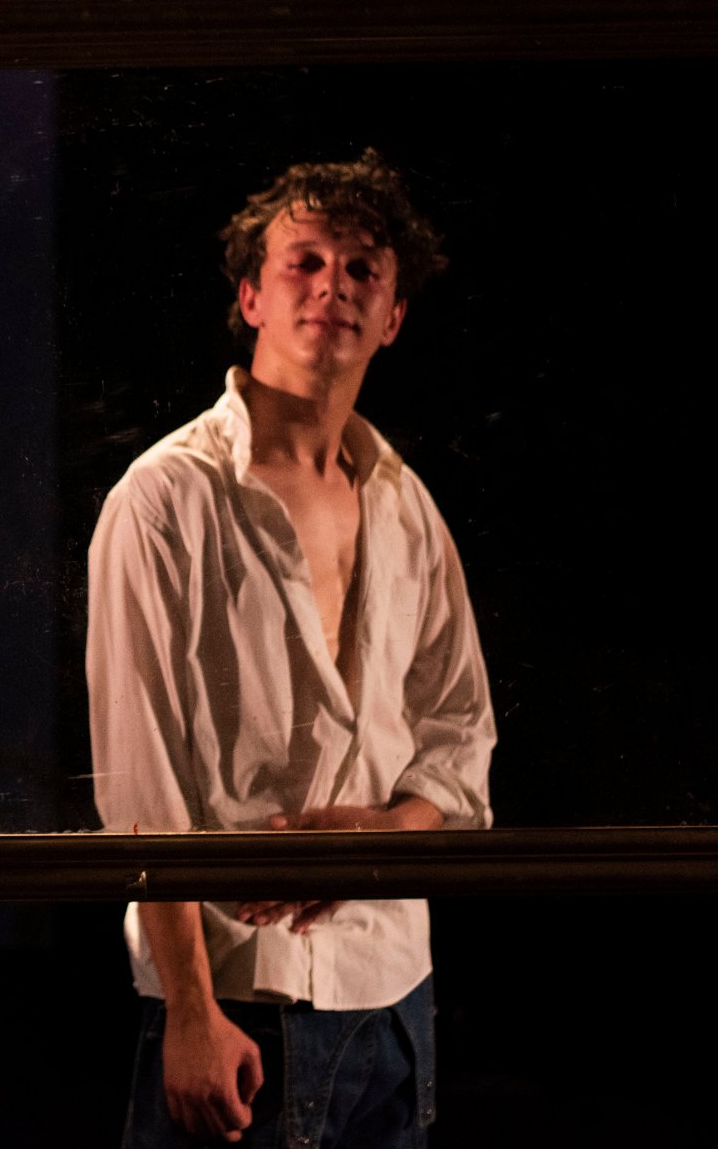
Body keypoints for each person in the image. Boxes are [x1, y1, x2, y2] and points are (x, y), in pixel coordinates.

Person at [86, 151, 494, 1144]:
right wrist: (190, 1010)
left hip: (391, 991)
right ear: (251, 298)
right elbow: (141, 785)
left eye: (362, 268)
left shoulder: (406, 505)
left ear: (393, 315)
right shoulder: (165, 498)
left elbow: (460, 734)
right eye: (304, 261)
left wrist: (381, 836)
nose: (332, 286)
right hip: (235, 994)